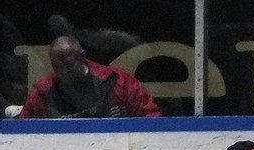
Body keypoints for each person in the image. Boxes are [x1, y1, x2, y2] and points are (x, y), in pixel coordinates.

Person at [18, 35, 160, 118]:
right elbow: (21, 133)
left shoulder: (117, 81)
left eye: (68, 65)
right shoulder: (42, 94)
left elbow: (152, 119)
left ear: (82, 57)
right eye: (57, 66)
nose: (63, 71)